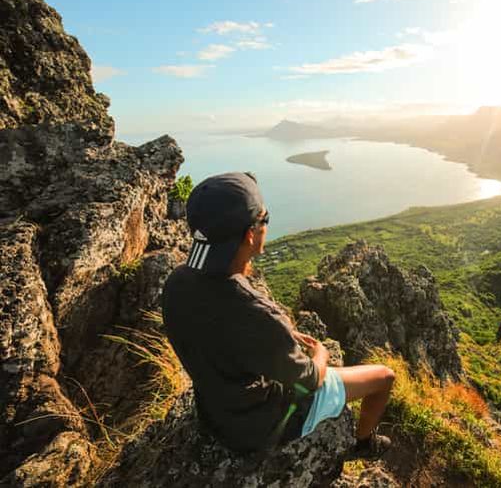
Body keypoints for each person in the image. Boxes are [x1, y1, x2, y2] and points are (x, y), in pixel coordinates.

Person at [161, 172, 394, 456]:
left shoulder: (176, 283)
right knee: (384, 377)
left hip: (215, 415)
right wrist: (321, 354)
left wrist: (273, 338)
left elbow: (221, 336)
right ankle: (363, 443)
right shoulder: (253, 312)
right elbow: (309, 379)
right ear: (250, 234)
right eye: (265, 219)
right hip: (260, 427)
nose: (266, 225)